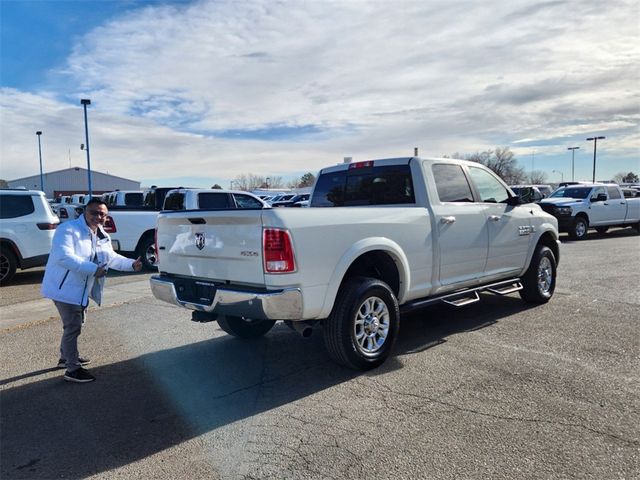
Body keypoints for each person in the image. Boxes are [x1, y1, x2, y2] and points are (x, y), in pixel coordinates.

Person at [41, 198, 142, 383]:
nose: (98, 217)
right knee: (73, 327)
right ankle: (72, 370)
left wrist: (131, 264)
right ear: (84, 213)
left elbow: (110, 257)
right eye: (94, 212)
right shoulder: (68, 230)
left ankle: (66, 358)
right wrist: (93, 269)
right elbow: (64, 257)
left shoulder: (101, 234)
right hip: (64, 288)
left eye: (102, 214)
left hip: (81, 289)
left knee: (75, 325)